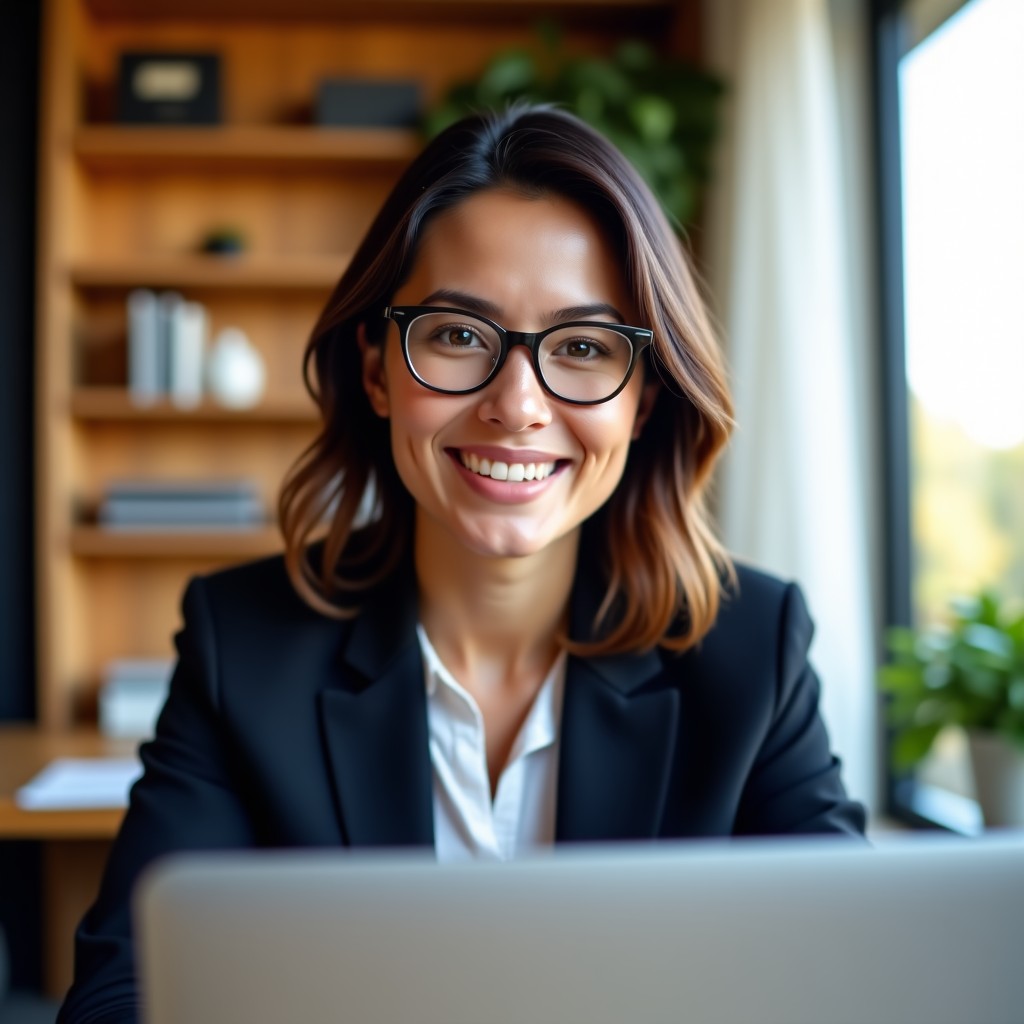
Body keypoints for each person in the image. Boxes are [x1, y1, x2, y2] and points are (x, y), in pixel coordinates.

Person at [58, 104, 865, 1023]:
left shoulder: (749, 652)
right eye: (456, 336)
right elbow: (129, 989)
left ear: (642, 399)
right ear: (377, 370)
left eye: (585, 348)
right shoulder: (242, 646)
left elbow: (844, 981)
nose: (516, 405)